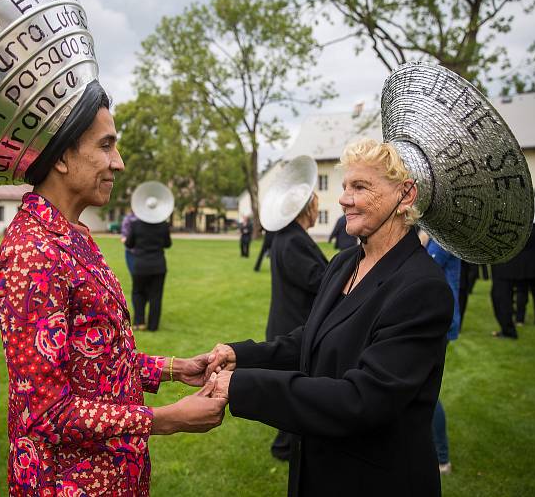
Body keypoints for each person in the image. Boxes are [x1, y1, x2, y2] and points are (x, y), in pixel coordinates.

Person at [0, 84, 226, 495]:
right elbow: (46, 411)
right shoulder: (33, 252)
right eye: (105, 145)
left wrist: (174, 368)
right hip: (68, 483)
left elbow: (98, 358)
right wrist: (166, 418)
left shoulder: (70, 234)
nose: (117, 163)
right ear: (62, 156)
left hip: (114, 476)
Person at [198, 139, 454, 496]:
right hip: (317, 470)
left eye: (360, 187)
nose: (344, 198)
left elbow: (361, 400)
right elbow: (311, 339)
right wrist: (240, 356)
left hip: (376, 480)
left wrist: (240, 387)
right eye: (345, 186)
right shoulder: (344, 263)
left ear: (406, 195)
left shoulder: (421, 288)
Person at [265, 193, 327, 460]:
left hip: (289, 323)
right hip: (292, 326)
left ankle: (289, 444)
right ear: (307, 210)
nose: (317, 212)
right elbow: (317, 279)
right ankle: (284, 447)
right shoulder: (292, 239)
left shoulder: (291, 236)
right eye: (316, 207)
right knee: (295, 392)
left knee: (294, 390)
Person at [424, 236, 461, 475]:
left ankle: (442, 457)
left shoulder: (444, 238)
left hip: (437, 318)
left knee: (425, 389)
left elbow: (422, 267)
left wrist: (421, 237)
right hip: (432, 315)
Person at [125, 217, 172, 331]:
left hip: (140, 265)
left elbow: (129, 243)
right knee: (156, 296)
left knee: (138, 292)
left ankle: (139, 322)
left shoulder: (135, 225)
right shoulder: (163, 225)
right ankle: (153, 326)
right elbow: (168, 244)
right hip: (158, 266)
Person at [490, 253, 521, 339]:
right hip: (502, 270)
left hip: (505, 270)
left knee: (502, 302)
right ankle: (506, 329)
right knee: (500, 300)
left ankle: (509, 331)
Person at [120, 209, 138, 275]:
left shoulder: (147, 218)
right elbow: (124, 236)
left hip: (144, 253)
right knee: (135, 275)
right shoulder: (128, 219)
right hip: (131, 252)